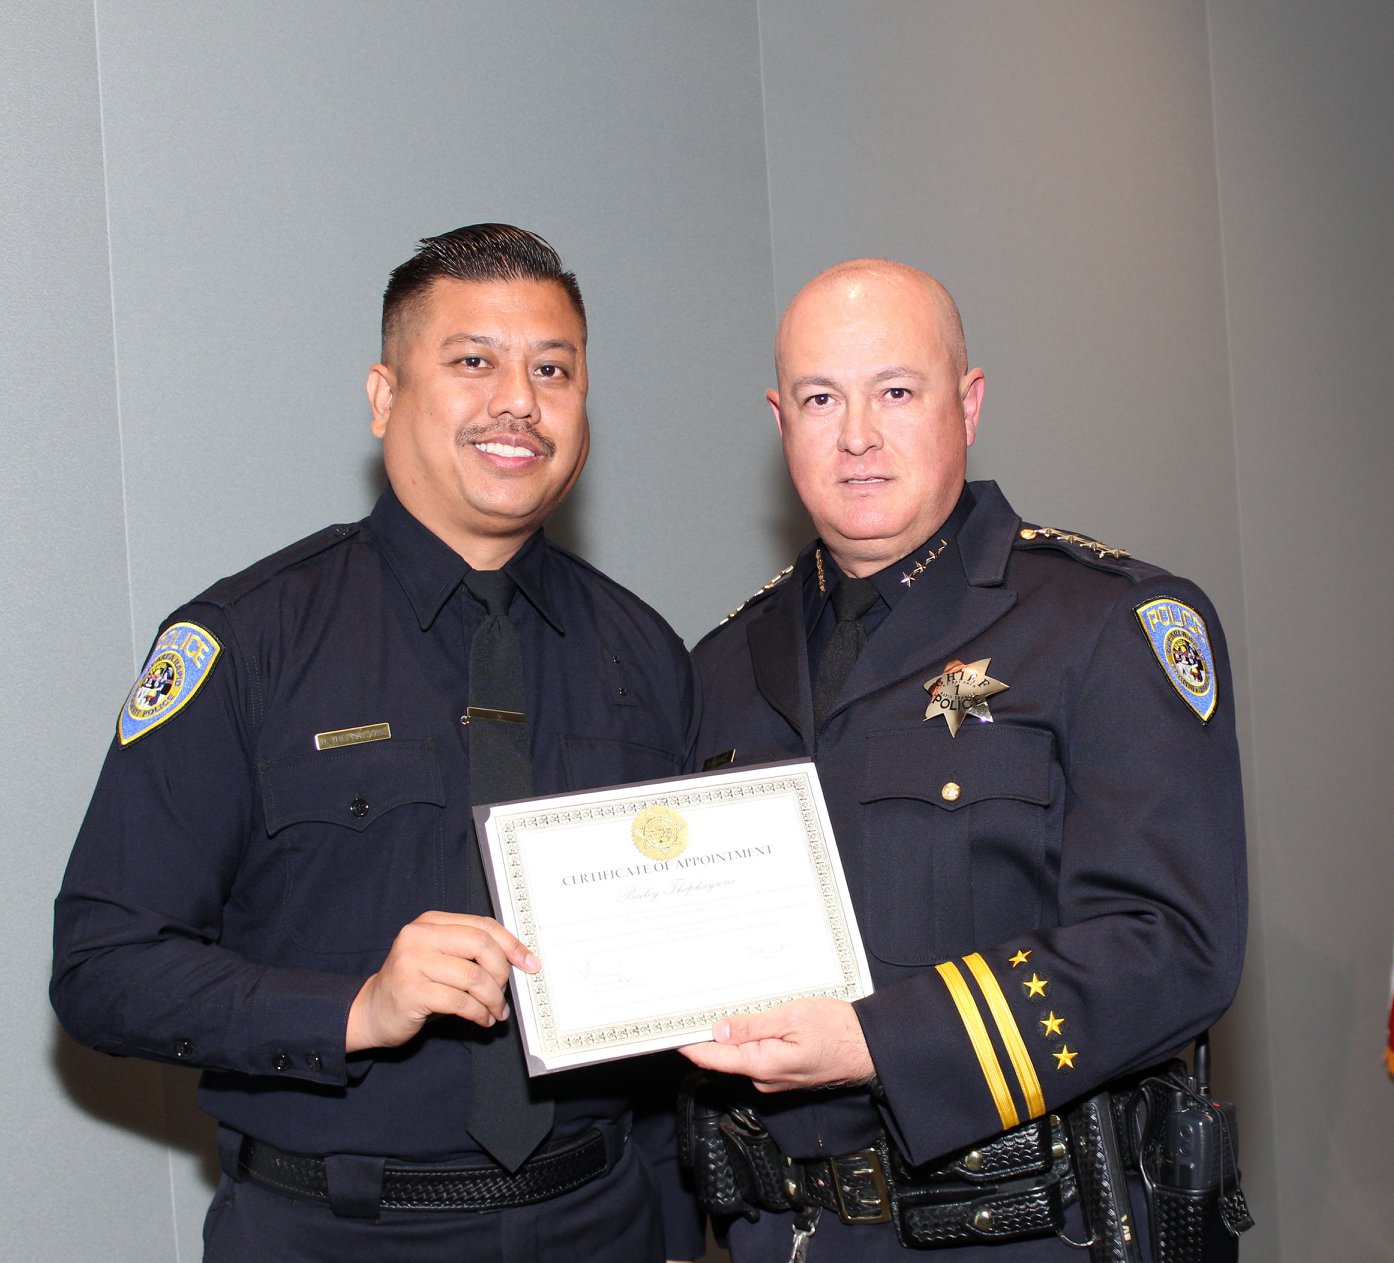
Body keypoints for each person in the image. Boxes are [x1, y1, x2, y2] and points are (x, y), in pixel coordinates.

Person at [52, 223, 700, 1261]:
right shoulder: (248, 640)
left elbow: (674, 997)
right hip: (333, 1231)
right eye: (472, 361)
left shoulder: (647, 654)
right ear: (383, 395)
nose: (518, 402)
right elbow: (103, 967)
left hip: (600, 1221)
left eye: (552, 369)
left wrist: (671, 1229)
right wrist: (352, 1006)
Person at [683, 260, 1248, 1260]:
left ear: (969, 402)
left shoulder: (1105, 622)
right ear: (781, 423)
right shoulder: (721, 664)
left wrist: (881, 1043)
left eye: (896, 391)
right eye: (821, 397)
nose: (857, 432)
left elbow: (1172, 947)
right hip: (783, 1232)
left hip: (1021, 1229)